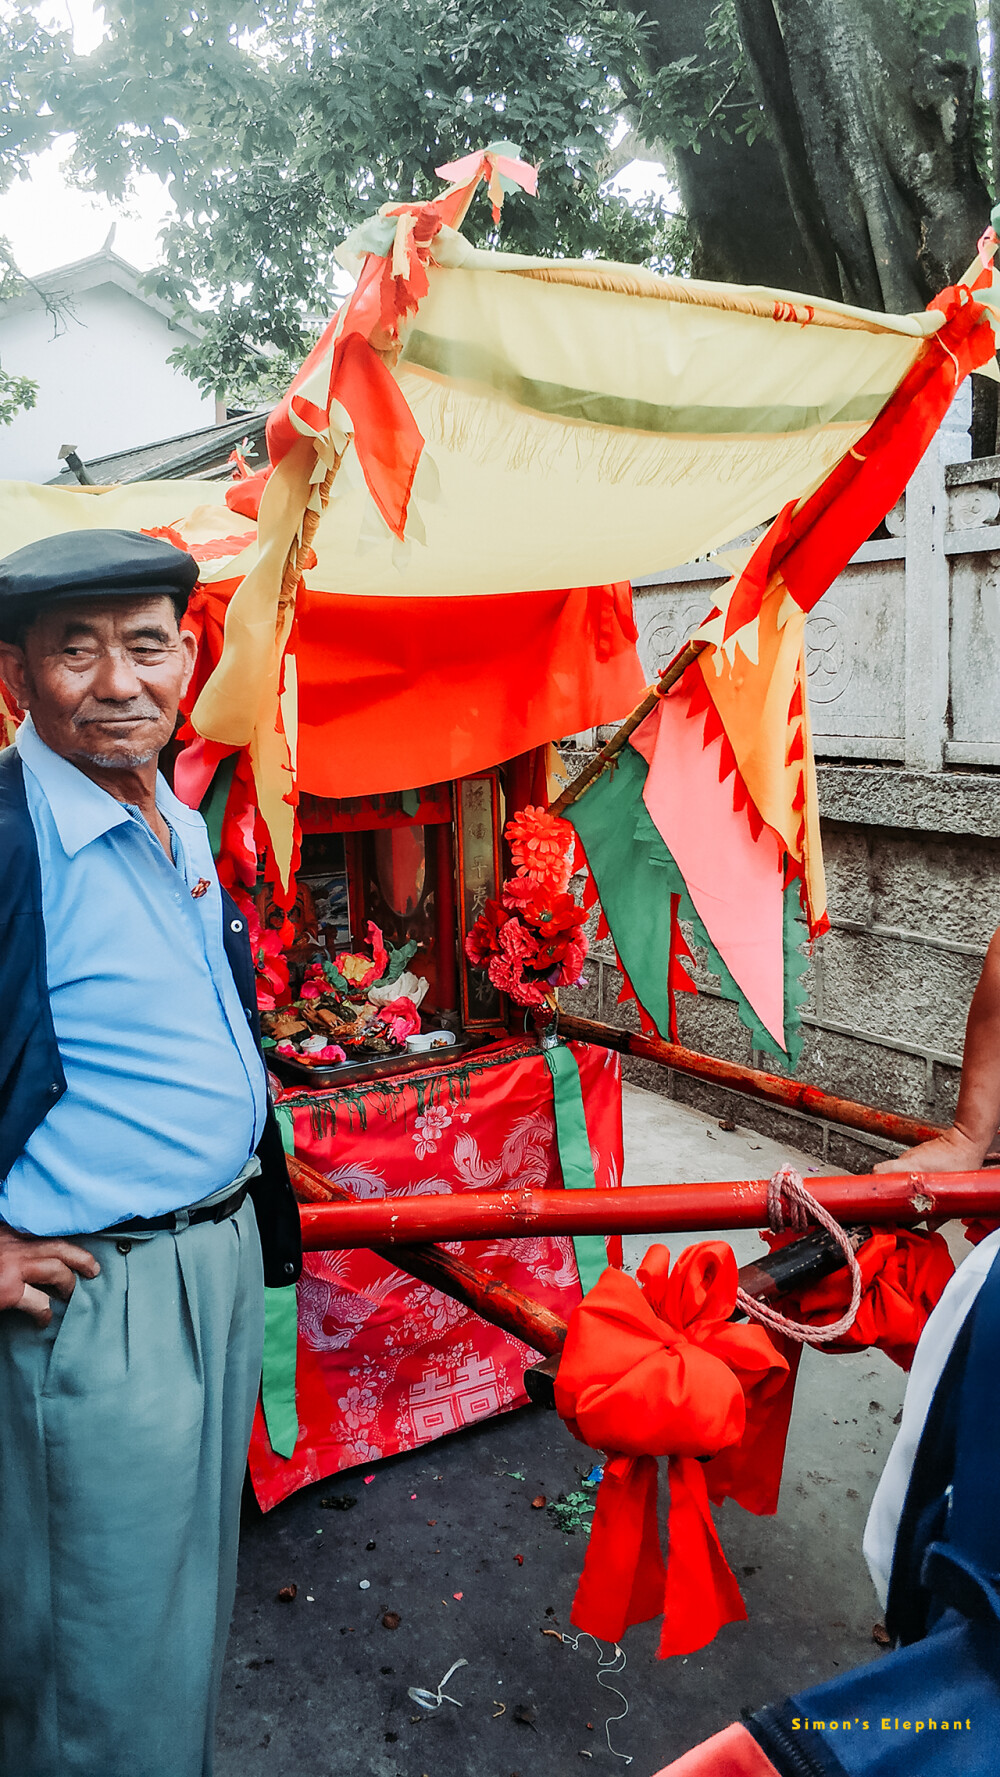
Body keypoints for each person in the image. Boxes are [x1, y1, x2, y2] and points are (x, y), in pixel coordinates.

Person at [0, 528, 301, 1777]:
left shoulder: (170, 813)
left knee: (181, 1615)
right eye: (77, 650)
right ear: (14, 677)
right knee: (96, 1656)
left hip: (216, 1265)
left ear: (189, 655)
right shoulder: (11, 842)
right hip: (97, 1296)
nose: (119, 680)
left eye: (146, 643)